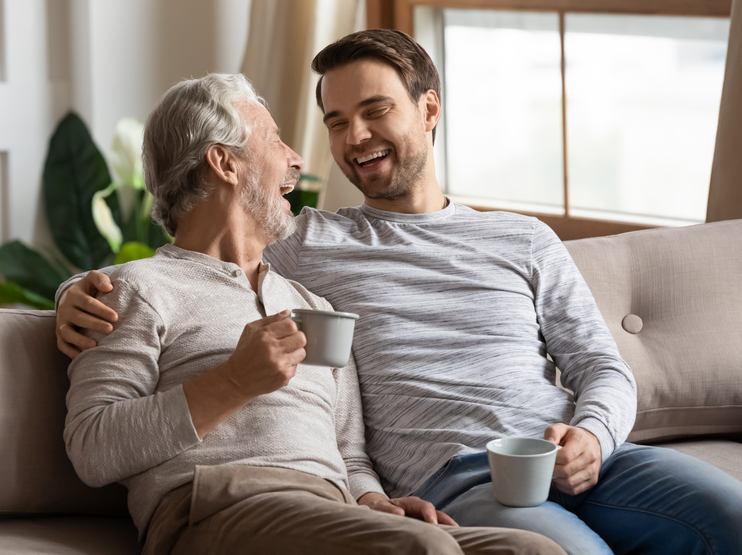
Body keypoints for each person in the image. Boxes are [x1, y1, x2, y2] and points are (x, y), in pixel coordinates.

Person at [57, 32, 742, 555]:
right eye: (333, 122)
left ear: (429, 108)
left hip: (575, 457)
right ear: (227, 159)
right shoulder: (307, 240)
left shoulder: (519, 241)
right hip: (455, 481)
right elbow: (190, 258)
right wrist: (70, 295)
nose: (345, 141)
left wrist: (592, 436)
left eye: (375, 110)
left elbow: (601, 367)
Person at [62, 72, 562, 555]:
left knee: (529, 549)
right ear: (224, 162)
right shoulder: (134, 290)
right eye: (275, 139)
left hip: (334, 510)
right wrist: (232, 382)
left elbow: (349, 451)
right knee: (420, 548)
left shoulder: (311, 305)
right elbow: (91, 447)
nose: (296, 158)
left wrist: (371, 500)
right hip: (216, 506)